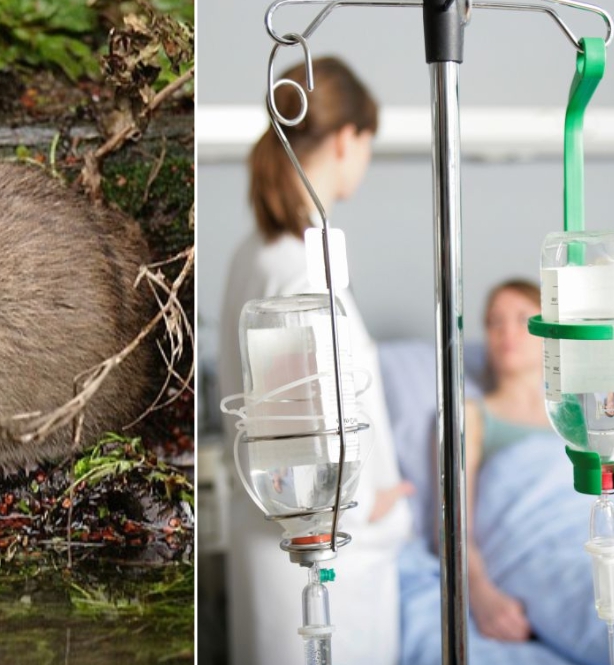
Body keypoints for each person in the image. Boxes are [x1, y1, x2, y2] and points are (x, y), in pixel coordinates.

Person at [217, 57, 413, 665]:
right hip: (320, 560)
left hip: (297, 546)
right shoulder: (295, 272)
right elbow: (303, 442)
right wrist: (374, 498)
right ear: (349, 138)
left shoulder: (261, 251)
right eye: (367, 144)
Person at [462, 278, 614, 642]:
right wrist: (480, 594)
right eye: (495, 322)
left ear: (550, 330)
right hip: (543, 548)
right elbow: (454, 526)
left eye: (521, 318)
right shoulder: (473, 415)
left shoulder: (586, 406)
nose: (506, 332)